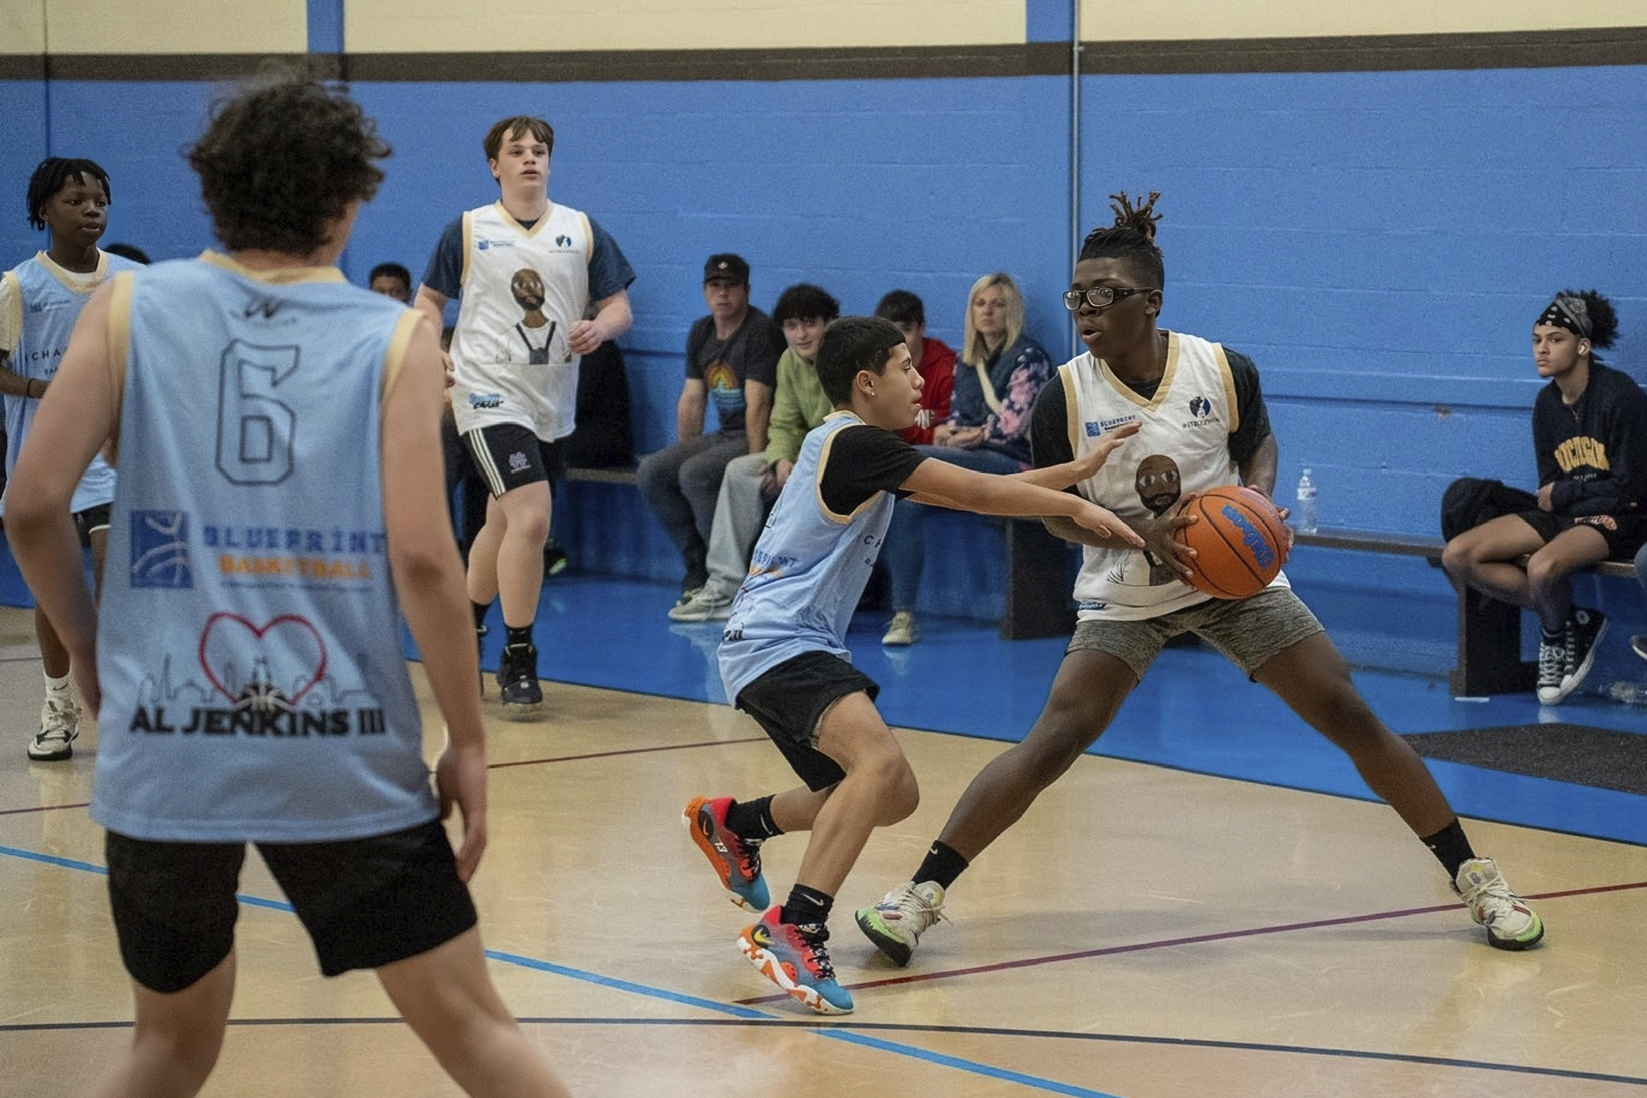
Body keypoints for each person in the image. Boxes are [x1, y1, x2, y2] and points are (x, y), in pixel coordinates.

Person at [4, 78, 573, 1098]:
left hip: (166, 740)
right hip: (340, 745)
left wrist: (90, 652)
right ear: (349, 202)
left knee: (166, 1051)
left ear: (212, 193)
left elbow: (33, 506)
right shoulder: (395, 336)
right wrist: (469, 736)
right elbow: (425, 558)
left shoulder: (125, 305)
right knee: (479, 1036)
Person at [853, 193, 1547, 970]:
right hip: (1126, 583)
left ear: (1149, 302)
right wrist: (1132, 532)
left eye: (1102, 295)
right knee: (1055, 738)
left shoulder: (1220, 367)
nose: (1083, 308)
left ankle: (1474, 876)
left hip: (1232, 580)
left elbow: (1259, 444)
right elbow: (1051, 512)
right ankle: (918, 896)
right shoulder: (1066, 394)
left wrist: (1254, 501)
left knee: (1346, 708)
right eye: (1075, 295)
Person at [681, 316, 1142, 1014]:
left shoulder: (856, 449)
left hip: (772, 646)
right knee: (880, 768)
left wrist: (1074, 475)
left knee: (890, 795)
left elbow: (961, 488)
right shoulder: (857, 444)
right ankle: (795, 926)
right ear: (866, 384)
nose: (918, 377)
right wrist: (1089, 515)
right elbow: (981, 493)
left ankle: (736, 823)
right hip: (780, 642)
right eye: (903, 366)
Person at [414, 114, 634, 713]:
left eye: (539, 150)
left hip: (550, 399)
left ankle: (462, 628)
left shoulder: (581, 229)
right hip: (484, 392)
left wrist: (600, 327)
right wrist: (432, 348)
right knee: (533, 517)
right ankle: (518, 652)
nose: (530, 159)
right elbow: (430, 302)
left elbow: (620, 307)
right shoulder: (467, 229)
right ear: (496, 165)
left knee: (503, 523)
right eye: (517, 151)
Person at [0, 156, 144, 761]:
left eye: (99, 201)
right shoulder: (17, 287)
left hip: (114, 456)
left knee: (117, 579)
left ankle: (120, 705)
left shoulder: (134, 279)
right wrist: (52, 392)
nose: (91, 210)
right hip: (46, 460)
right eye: (75, 200)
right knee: (56, 598)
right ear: (43, 211)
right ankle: (58, 702)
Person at [1443, 290, 1647, 705]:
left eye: (1555, 339)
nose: (1542, 349)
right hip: (1572, 514)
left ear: (1583, 346)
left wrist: (1571, 494)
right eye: (1537, 340)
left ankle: (1553, 638)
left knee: (1543, 568)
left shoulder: (1620, 396)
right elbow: (1548, 489)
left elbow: (1630, 489)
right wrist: (1568, 497)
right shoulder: (1546, 404)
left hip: (1619, 518)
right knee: (1459, 555)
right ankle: (1572, 619)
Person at [878, 273, 1054, 646]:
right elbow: (954, 422)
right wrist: (962, 433)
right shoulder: (967, 363)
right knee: (905, 496)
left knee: (908, 459)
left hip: (1016, 467)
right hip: (972, 460)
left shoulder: (1030, 358)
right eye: (980, 304)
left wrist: (970, 434)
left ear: (1012, 311)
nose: (988, 312)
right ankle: (903, 613)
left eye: (998, 304)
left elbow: (1012, 428)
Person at [668, 283, 838, 622]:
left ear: (829, 322)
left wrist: (800, 463)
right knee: (740, 471)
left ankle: (801, 594)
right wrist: (780, 460)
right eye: (791, 326)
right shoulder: (789, 361)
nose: (801, 334)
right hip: (801, 457)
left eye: (810, 323)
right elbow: (784, 422)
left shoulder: (846, 358)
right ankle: (726, 585)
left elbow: (845, 426)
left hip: (840, 460)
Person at [638, 254, 783, 605]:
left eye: (731, 286)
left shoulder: (760, 332)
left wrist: (755, 461)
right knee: (654, 471)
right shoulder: (701, 331)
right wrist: (687, 448)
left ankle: (730, 572)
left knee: (697, 473)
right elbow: (691, 399)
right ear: (704, 290)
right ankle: (697, 563)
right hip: (725, 434)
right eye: (715, 286)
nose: (723, 293)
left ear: (746, 290)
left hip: (760, 435)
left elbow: (759, 404)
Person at [874, 289, 955, 446]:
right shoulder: (876, 365)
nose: (898, 340)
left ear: (921, 328)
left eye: (906, 329)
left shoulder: (946, 366)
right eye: (890, 331)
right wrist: (927, 434)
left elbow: (948, 429)